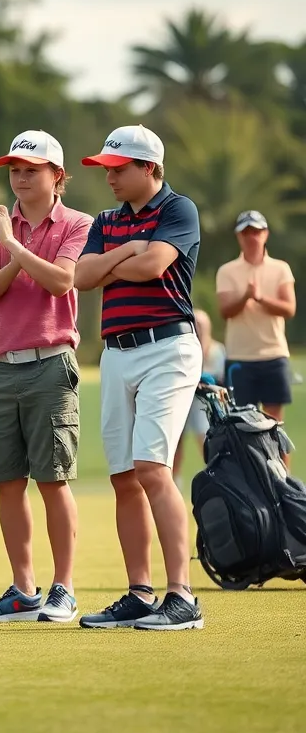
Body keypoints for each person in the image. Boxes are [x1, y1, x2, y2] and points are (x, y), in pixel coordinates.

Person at [74, 124, 204, 631]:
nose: (110, 178)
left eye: (118, 168)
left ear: (149, 167)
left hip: (168, 348)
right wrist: (127, 252)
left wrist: (123, 259)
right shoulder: (107, 220)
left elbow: (154, 266)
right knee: (124, 477)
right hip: (117, 352)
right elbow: (82, 278)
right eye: (107, 169)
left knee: (153, 469)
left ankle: (183, 596)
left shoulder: (178, 209)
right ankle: (139, 593)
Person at [0, 128, 92, 624]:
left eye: (30, 169)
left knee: (53, 480)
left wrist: (12, 247)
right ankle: (23, 589)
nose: (19, 177)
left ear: (57, 177)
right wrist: (12, 249)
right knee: (7, 482)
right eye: (14, 170)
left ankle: (63, 587)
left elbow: (61, 280)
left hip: (51, 362)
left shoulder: (77, 224)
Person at [216, 209, 295, 471]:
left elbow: (288, 308)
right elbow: (226, 311)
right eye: (246, 232)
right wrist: (246, 296)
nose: (252, 237)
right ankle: (251, 484)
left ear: (265, 235)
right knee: (242, 426)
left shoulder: (280, 269)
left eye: (256, 231)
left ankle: (283, 483)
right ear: (239, 237)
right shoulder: (227, 271)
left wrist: (260, 297)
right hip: (240, 358)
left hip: (273, 355)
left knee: (275, 425)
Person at [173, 309, 225, 488]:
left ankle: (217, 476)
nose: (199, 329)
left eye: (202, 326)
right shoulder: (184, 348)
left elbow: (219, 379)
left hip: (203, 403)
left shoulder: (217, 351)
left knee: (205, 437)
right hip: (182, 398)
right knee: (176, 441)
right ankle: (174, 480)